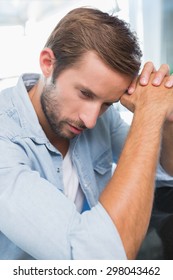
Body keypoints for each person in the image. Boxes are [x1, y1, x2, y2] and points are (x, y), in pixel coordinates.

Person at [0, 7, 173, 260]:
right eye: (85, 94)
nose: (91, 120)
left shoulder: (96, 116)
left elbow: (165, 172)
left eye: (107, 103)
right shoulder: (6, 140)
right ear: (48, 64)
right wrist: (148, 113)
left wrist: (166, 118)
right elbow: (95, 261)